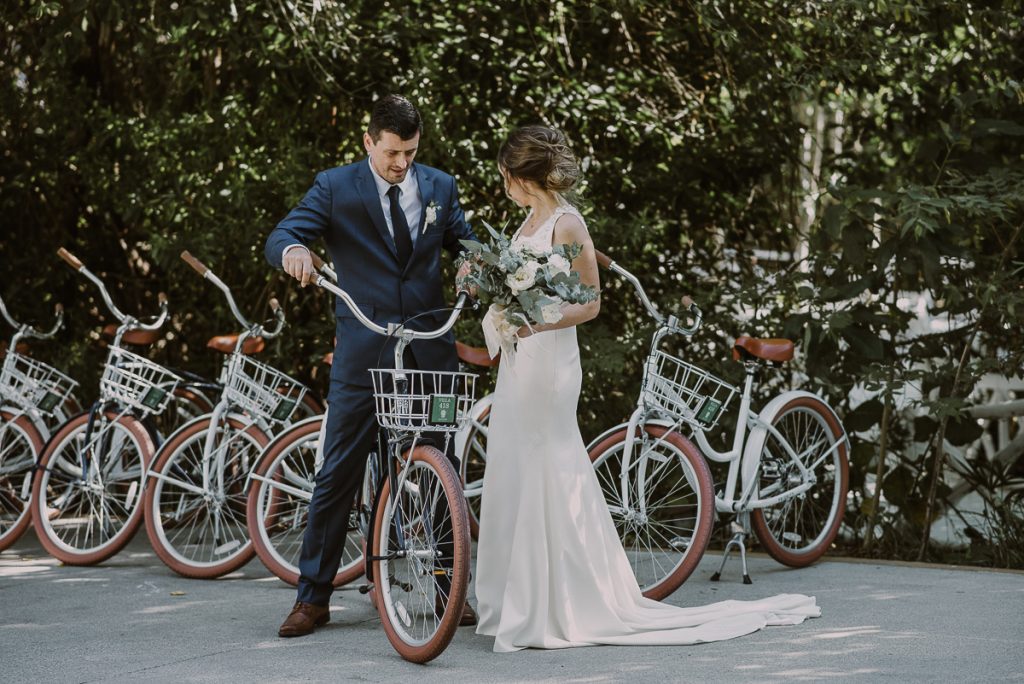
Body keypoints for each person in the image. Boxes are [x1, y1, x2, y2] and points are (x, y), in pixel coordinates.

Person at [473, 125, 820, 653]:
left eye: (505, 175)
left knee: (550, 468)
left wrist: (536, 319)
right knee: (517, 468)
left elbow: (590, 303)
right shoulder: (527, 220)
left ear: (521, 175)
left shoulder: (569, 223)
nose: (503, 184)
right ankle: (517, 600)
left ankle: (555, 605)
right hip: (520, 362)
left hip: (549, 363)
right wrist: (495, 298)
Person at [265, 94, 478, 637]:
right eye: (391, 152)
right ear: (368, 142)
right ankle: (312, 597)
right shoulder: (335, 186)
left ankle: (448, 587)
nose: (401, 163)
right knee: (337, 471)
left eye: (409, 151)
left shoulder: (440, 186)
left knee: (440, 468)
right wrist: (293, 252)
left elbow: (463, 241)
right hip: (364, 348)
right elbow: (283, 235)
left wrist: (473, 263)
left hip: (431, 345)